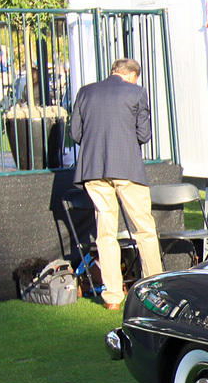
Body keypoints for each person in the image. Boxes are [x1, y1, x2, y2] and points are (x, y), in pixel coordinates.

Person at [70, 57, 163, 310]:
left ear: (113, 71)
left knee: (105, 233)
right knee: (144, 228)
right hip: (127, 168)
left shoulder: (86, 92)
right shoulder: (136, 92)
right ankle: (155, 288)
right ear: (133, 75)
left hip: (93, 169)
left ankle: (112, 296)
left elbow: (75, 134)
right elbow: (144, 134)